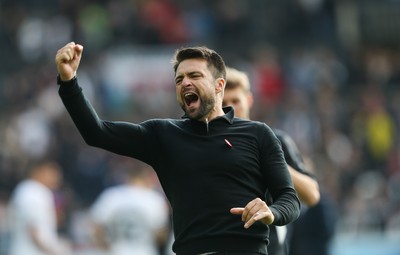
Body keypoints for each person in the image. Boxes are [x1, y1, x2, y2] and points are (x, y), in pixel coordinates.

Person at [55, 42, 301, 254]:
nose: (185, 83)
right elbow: (96, 132)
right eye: (179, 79)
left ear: (219, 85)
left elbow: (289, 199)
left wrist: (271, 211)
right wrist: (69, 81)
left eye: (194, 76)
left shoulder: (258, 134)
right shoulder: (163, 135)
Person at [222, 66, 320, 255]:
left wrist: (272, 161)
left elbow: (312, 195)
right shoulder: (209, 145)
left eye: (236, 101)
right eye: (224, 102)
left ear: (249, 100)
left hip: (268, 248)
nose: (231, 109)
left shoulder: (275, 141)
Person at [89, 164, 170, 255]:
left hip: (116, 251)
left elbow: (95, 226)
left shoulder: (111, 196)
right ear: (145, 177)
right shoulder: (154, 199)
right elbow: (161, 236)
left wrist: (104, 246)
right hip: (145, 251)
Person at [8, 160, 70, 255]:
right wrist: (55, 251)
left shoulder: (30, 189)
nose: (57, 177)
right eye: (53, 173)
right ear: (39, 171)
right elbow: (34, 230)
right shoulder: (32, 191)